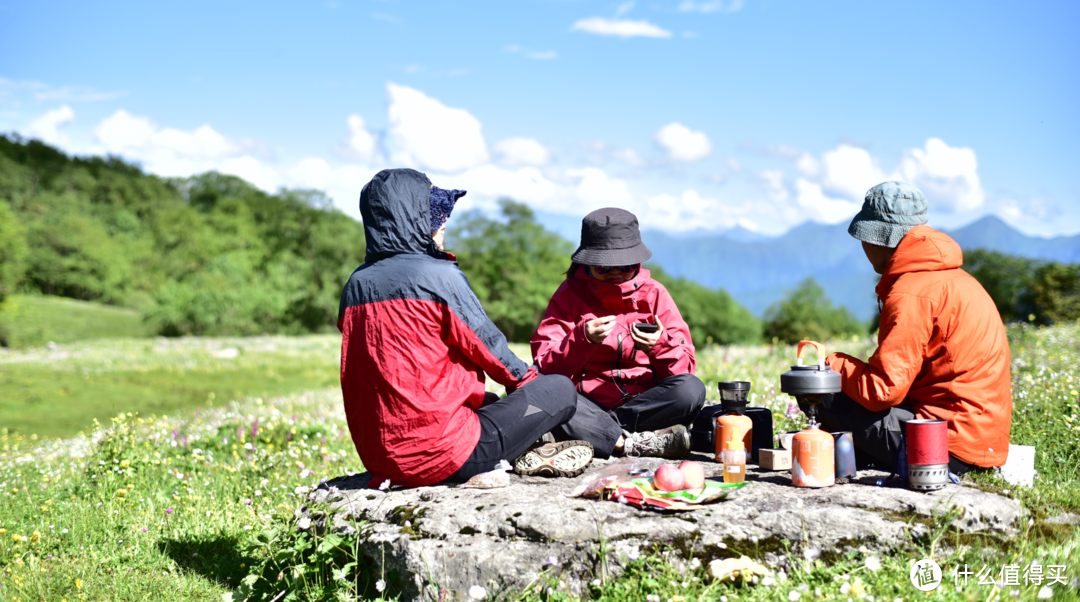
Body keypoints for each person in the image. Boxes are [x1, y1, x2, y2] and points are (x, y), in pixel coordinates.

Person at [337, 168, 594, 488]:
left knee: (487, 400)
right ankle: (620, 443)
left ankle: (526, 446)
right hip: (446, 456)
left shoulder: (355, 285)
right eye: (432, 212)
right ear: (413, 218)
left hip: (381, 458)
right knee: (558, 390)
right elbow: (495, 354)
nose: (443, 220)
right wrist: (532, 386)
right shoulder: (437, 276)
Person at [814, 181, 1012, 474]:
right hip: (981, 443)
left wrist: (833, 365)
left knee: (822, 392)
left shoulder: (910, 292)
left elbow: (884, 392)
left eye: (864, 238)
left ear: (879, 239)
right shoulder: (958, 279)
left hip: (944, 447)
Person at [530, 207, 706, 459]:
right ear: (587, 263)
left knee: (691, 389)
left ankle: (595, 432)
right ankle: (631, 442)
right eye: (603, 267)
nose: (616, 273)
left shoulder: (655, 294)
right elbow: (546, 364)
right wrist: (582, 340)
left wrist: (659, 346)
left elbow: (684, 370)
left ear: (638, 262)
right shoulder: (569, 294)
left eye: (626, 266)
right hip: (587, 402)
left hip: (644, 404)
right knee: (536, 384)